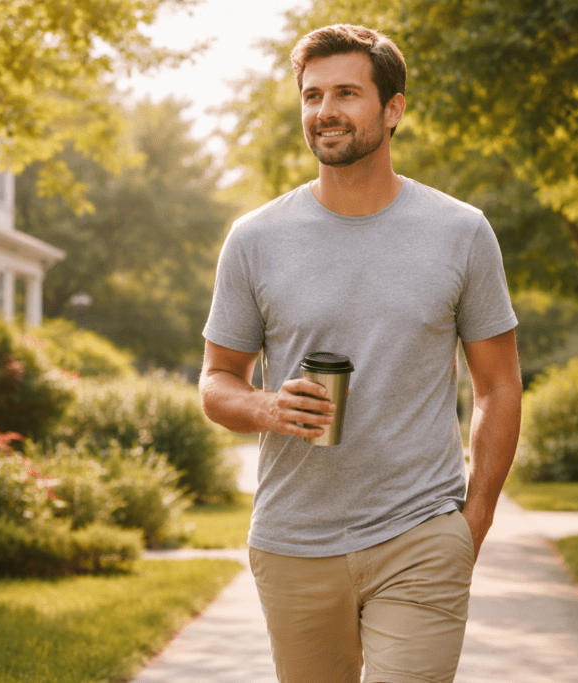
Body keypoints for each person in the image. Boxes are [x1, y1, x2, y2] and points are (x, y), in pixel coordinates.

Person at [199, 23, 522, 683]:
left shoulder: (461, 232)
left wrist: (474, 518)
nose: (325, 111)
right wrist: (266, 405)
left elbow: (497, 385)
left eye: (346, 92)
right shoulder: (254, 238)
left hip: (422, 534)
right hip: (293, 540)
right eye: (312, 95)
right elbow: (216, 380)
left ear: (393, 108)